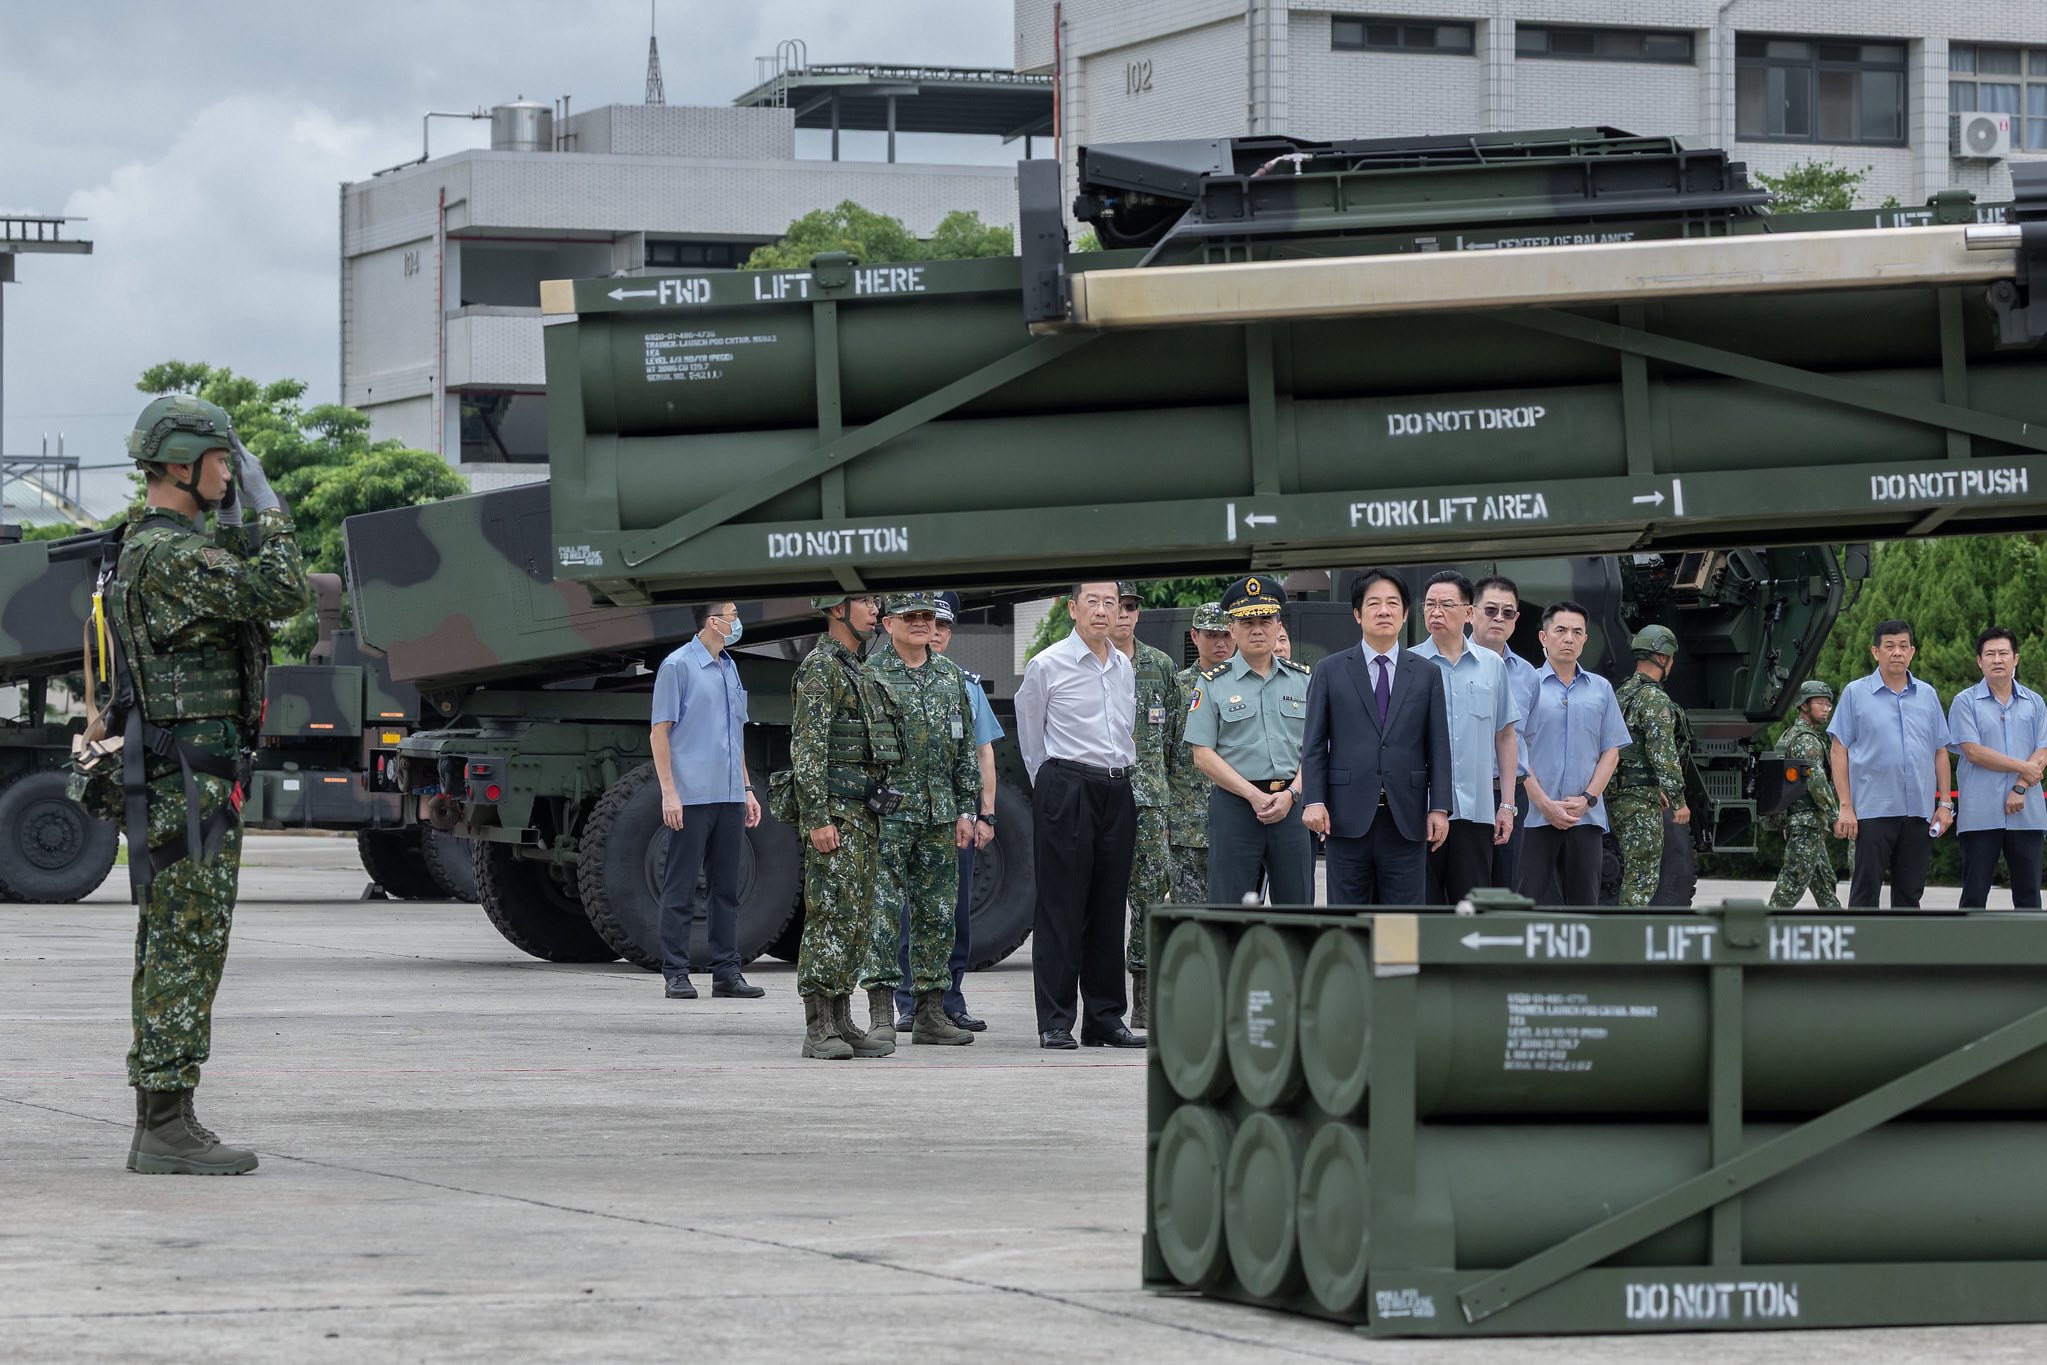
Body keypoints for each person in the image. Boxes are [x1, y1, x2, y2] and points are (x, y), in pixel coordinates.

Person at [99, 395, 310, 1176]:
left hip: (181, 778)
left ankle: (168, 1114)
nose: (233, 471)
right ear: (181, 465)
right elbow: (284, 591)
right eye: (223, 460)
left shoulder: (150, 548)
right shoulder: (174, 557)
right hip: (191, 784)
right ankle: (163, 1125)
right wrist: (269, 510)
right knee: (187, 944)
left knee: (175, 942)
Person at [1014, 581, 1142, 1050]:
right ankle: (1055, 1020)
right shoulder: (1047, 664)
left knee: (1108, 907)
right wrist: (1052, 786)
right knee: (1060, 907)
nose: (1103, 610)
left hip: (1117, 787)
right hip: (1067, 785)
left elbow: (1125, 730)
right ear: (1073, 608)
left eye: (1111, 603)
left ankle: (1105, 1018)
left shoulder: (1123, 665)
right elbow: (1031, 735)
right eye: (1093, 602)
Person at [859, 592, 980, 1046]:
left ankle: (930, 1014)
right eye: (910, 616)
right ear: (888, 623)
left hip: (939, 817)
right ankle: (881, 1015)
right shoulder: (870, 675)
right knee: (883, 916)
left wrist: (967, 809)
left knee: (938, 916)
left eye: (927, 616)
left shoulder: (950, 677)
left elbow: (965, 751)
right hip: (887, 817)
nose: (921, 623)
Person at [787, 593, 896, 1060]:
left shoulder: (858, 669)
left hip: (862, 815)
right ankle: (818, 1028)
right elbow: (808, 749)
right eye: (865, 602)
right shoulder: (820, 668)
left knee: (855, 920)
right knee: (829, 916)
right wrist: (817, 818)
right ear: (837, 610)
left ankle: (842, 1019)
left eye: (876, 601)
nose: (875, 610)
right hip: (835, 815)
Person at [1300, 568, 1451, 906]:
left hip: (1406, 819)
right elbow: (1313, 744)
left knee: (1401, 923)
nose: (1384, 611)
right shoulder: (1330, 670)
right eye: (1374, 603)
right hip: (1345, 818)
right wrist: (1314, 800)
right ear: (1357, 614)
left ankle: (1395, 949)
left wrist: (1439, 807)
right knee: (1348, 919)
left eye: (1393, 603)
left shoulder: (1426, 673)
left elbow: (1439, 747)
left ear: (1405, 613)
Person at [889, 590, 998, 1033]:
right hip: (903, 816)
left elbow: (981, 753)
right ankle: (907, 1002)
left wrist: (984, 813)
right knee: (904, 913)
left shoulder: (962, 684)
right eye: (925, 621)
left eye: (942, 624)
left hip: (954, 818)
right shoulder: (881, 676)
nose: (934, 631)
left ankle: (949, 1000)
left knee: (953, 913)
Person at [652, 601, 765, 1001]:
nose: (738, 622)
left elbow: (736, 733)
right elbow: (659, 732)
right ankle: (676, 972)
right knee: (681, 887)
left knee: (726, 889)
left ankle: (726, 972)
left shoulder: (729, 667)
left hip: (730, 795)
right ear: (713, 622)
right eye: (733, 615)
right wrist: (669, 792)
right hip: (692, 796)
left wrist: (747, 789)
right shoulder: (677, 666)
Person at [1186, 576, 1316, 906]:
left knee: (1298, 908)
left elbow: (1316, 748)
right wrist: (1253, 795)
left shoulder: (1303, 680)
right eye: (1247, 622)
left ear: (1278, 626)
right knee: (1229, 908)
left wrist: (1292, 794)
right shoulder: (1212, 683)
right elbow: (1202, 754)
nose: (1257, 630)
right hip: (1236, 808)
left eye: (1265, 621)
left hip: (1291, 806)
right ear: (1232, 629)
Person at [1410, 571, 1520, 904]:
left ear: (1468, 612)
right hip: (1420, 810)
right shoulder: (1408, 664)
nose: (1436, 612)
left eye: (1446, 605)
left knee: (1471, 908)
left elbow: (1505, 736)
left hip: (1476, 811)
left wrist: (1507, 806)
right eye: (1430, 605)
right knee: (1421, 908)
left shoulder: (1492, 666)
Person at [1829, 619, 1953, 909]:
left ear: (1912, 652)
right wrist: (1845, 805)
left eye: (1903, 646)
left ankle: (1905, 941)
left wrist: (1945, 803)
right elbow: (1838, 750)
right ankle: (1862, 940)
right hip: (1872, 810)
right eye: (1889, 646)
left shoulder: (1927, 695)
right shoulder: (1855, 693)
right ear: (1876, 652)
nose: (1897, 652)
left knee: (1910, 895)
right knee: (1865, 893)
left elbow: (1940, 751)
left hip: (1918, 811)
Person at [1515, 600, 1630, 906]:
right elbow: (1515, 749)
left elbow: (1611, 750)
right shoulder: (1526, 686)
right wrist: (1544, 804)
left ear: (1585, 639)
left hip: (1585, 817)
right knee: (1525, 904)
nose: (1569, 638)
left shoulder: (1601, 689)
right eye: (1561, 630)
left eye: (1577, 632)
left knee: (1585, 907)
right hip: (1534, 817)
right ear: (1543, 636)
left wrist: (1587, 798)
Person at [1112, 581, 1184, 1029]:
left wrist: (1171, 805)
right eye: (1117, 605)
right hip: (1102, 797)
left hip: (1151, 803)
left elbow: (1176, 739)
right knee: (1099, 901)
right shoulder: (1087, 663)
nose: (1123, 614)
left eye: (1131, 606)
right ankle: (1102, 1003)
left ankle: (1144, 999)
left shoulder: (1160, 666)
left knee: (1150, 899)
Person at [1948, 627, 2047, 909]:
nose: (1997, 659)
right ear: (1979, 661)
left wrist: (2020, 787)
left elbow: (2043, 751)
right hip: (1980, 814)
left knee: (2029, 897)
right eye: (1990, 654)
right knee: (1974, 895)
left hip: (2027, 813)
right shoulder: (1964, 702)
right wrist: (2023, 767)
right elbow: (1973, 752)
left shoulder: (2035, 702)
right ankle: (1971, 941)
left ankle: (2028, 942)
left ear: (2016, 658)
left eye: (2004, 653)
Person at [1608, 625, 1692, 907]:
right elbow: (1662, 753)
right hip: (1639, 800)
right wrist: (1679, 801)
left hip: (1618, 793)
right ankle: (1629, 932)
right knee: (1642, 878)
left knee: (1633, 871)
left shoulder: (1622, 693)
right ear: (1663, 657)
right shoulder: (1654, 698)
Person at [1472, 575, 1540, 888]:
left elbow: (1527, 738)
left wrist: (1510, 803)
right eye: (1490, 610)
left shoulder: (1528, 675)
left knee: (1505, 886)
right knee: (1462, 889)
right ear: (1471, 612)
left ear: (1516, 619)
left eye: (1507, 612)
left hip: (1511, 795)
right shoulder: (1446, 665)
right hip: (1464, 791)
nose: (1499, 618)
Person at [1165, 602, 1233, 911]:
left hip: (1237, 822)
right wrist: (1166, 818)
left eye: (1226, 635)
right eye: (1211, 635)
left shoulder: (1248, 684)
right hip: (1187, 826)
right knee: (1191, 916)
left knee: (1235, 914)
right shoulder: (1178, 687)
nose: (1220, 643)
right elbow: (1163, 754)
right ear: (1194, 636)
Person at [1770, 680, 1843, 910]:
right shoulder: (1806, 740)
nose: (1826, 709)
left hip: (1805, 821)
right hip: (1806, 822)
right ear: (1804, 705)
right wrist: (1835, 816)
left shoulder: (1791, 735)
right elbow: (1817, 783)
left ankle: (1836, 923)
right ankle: (1764, 925)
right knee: (1792, 882)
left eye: (1828, 704)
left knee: (1824, 882)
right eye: (1820, 703)